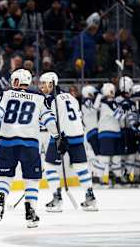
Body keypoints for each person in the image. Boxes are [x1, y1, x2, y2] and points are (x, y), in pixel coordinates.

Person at [0, 69, 58, 228]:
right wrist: (58, 137)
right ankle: (30, 212)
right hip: (30, 144)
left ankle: (0, 197)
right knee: (31, 179)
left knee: (4, 178)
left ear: (16, 82)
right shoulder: (39, 97)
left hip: (7, 142)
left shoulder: (7, 94)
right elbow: (48, 120)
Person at [40, 72, 98, 212]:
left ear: (51, 84)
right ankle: (91, 198)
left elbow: (49, 122)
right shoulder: (71, 97)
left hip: (61, 136)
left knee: (49, 166)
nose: (41, 86)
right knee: (81, 167)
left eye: (44, 83)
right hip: (77, 135)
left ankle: (57, 198)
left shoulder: (49, 100)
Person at [95, 83, 124, 186]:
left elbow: (121, 116)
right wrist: (123, 107)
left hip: (115, 133)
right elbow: (119, 116)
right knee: (104, 158)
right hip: (106, 133)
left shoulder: (113, 103)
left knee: (116, 158)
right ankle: (98, 177)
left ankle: (117, 177)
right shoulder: (104, 104)